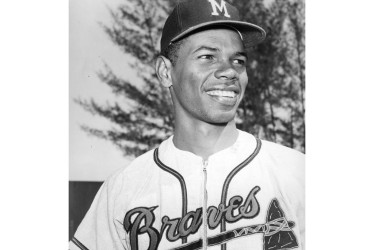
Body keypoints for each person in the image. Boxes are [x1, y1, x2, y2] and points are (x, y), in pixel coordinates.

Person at [70, 0, 305, 249]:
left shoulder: (297, 173)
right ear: (164, 72)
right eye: (207, 57)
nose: (229, 71)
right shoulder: (122, 190)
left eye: (238, 61)